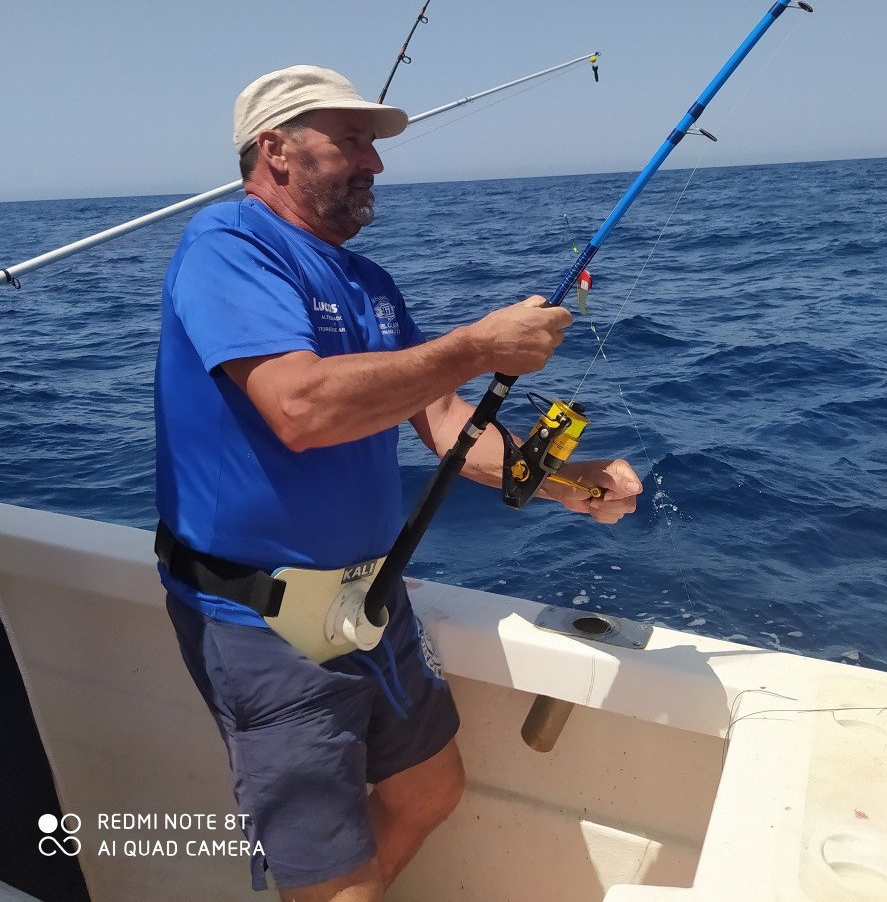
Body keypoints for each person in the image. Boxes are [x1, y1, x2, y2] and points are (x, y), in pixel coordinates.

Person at [154, 64, 642, 902]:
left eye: (373, 146)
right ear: (273, 149)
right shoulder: (227, 246)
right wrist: (477, 344)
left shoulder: (372, 284)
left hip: (372, 605)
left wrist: (559, 480)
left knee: (430, 789)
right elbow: (299, 409)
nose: (375, 164)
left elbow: (447, 422)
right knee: (333, 887)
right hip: (262, 625)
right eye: (351, 142)